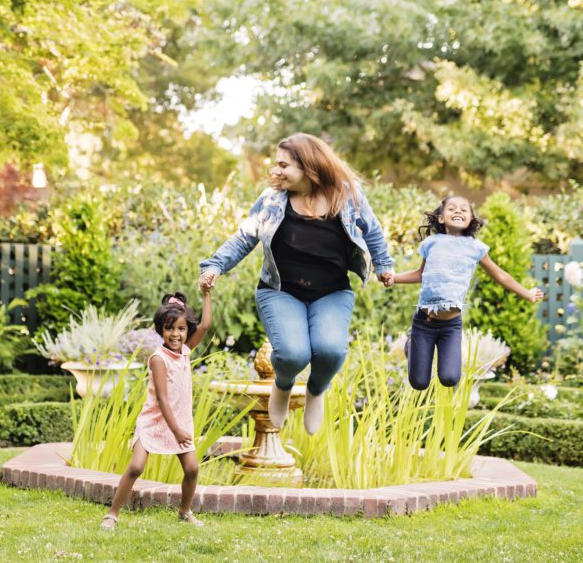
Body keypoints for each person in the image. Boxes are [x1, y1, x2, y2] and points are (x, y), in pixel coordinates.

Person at [198, 133, 394, 435]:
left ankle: (316, 390)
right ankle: (284, 383)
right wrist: (214, 266)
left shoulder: (347, 194)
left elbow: (373, 230)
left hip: (331, 291)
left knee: (330, 351)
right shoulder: (272, 200)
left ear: (308, 166)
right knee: (292, 354)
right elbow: (244, 237)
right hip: (280, 291)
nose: (276, 171)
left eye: (284, 165)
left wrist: (384, 266)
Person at [392, 195, 543, 390]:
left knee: (450, 377)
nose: (458, 211)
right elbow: (420, 274)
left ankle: (432, 356)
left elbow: (500, 275)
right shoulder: (432, 243)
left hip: (450, 326)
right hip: (424, 322)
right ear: (440, 218)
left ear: (471, 219)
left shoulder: (476, 248)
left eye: (464, 209)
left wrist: (527, 293)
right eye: (452, 208)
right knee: (419, 383)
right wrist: (394, 278)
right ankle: (411, 342)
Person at [100, 290, 212, 530]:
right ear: (162, 329)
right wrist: (177, 431)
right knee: (136, 466)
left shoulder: (185, 351)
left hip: (179, 421)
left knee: (192, 468)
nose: (176, 334)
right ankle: (112, 514)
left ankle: (184, 512)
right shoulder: (158, 359)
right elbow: (162, 399)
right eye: (170, 328)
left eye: (181, 329)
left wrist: (206, 294)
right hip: (155, 421)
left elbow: (205, 326)